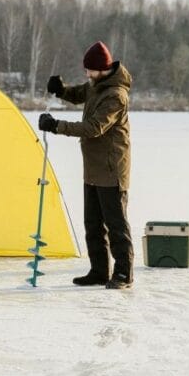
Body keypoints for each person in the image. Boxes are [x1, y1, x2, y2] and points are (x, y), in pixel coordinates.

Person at [38, 40, 134, 289]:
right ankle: (99, 271)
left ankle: (124, 274)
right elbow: (80, 93)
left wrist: (56, 125)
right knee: (92, 223)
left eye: (89, 70)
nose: (87, 75)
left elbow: (93, 128)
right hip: (93, 167)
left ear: (102, 70)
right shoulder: (97, 85)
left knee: (116, 225)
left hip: (111, 169)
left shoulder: (116, 95)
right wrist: (61, 90)